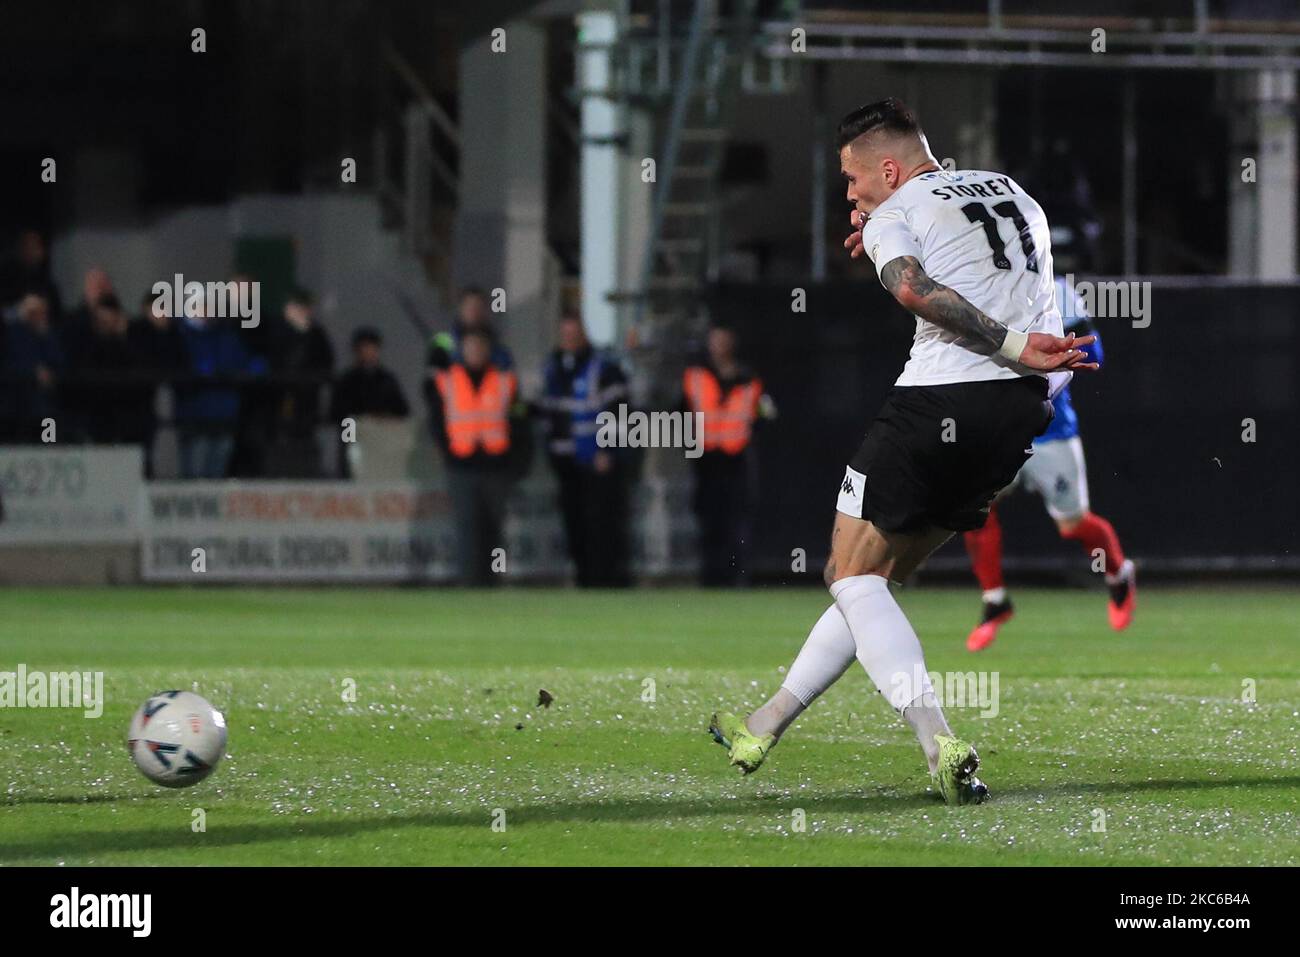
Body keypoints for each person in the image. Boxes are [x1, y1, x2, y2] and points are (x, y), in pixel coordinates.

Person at [708, 98, 1096, 805]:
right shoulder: (1012, 191)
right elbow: (986, 270)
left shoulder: (894, 212)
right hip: (1021, 410)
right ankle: (762, 723)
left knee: (851, 576)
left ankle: (938, 742)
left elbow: (916, 288)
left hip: (941, 401)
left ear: (888, 167)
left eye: (855, 182)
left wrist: (895, 238)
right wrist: (1019, 350)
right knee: (866, 580)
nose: (851, 197)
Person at [962, 272, 1136, 650]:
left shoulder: (1057, 291)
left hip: (1050, 430)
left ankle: (1119, 574)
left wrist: (1040, 358)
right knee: (972, 511)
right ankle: (995, 601)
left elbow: (1093, 353)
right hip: (999, 430)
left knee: (1074, 525)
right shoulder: (976, 283)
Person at [537, 312, 631, 587]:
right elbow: (550, 414)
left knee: (602, 527)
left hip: (596, 462)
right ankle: (584, 581)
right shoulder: (553, 368)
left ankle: (606, 583)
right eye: (565, 334)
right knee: (575, 526)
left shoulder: (603, 368)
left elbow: (620, 412)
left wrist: (609, 450)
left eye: (574, 333)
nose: (569, 339)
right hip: (566, 463)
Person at [426, 327, 520, 585]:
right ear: (461, 350)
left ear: (488, 350)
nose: (475, 352)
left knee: (495, 529)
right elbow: (436, 421)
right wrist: (447, 452)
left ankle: (494, 581)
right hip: (462, 465)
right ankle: (468, 583)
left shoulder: (504, 380)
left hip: (496, 466)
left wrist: (513, 459)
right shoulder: (448, 381)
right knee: (466, 529)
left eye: (480, 347)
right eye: (470, 347)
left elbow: (519, 422)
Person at [682, 325, 771, 586]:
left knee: (737, 521)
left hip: (737, 459)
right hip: (706, 461)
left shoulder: (748, 379)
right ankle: (710, 576)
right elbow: (682, 412)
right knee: (709, 522)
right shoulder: (696, 375)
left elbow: (764, 414)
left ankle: (736, 576)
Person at [174, 302, 264, 479]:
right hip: (194, 415)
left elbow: (243, 363)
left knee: (217, 470)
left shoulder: (227, 335)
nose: (206, 311)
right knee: (193, 472)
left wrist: (255, 366)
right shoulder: (181, 335)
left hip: (225, 413)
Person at [266, 289, 334, 477]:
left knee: (306, 436)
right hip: (281, 397)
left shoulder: (316, 334)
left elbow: (326, 362)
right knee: (281, 436)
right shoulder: (277, 330)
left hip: (307, 398)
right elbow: (272, 360)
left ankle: (306, 472)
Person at [329, 327, 410, 477]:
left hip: (382, 445)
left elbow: (403, 410)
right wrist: (361, 421)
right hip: (355, 441)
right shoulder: (347, 380)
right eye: (365, 348)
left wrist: (383, 419)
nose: (369, 353)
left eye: (372, 348)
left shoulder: (387, 379)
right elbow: (338, 415)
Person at [128, 292, 189, 477]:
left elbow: (181, 364)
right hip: (142, 405)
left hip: (173, 405)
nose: (164, 313)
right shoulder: (136, 334)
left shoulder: (176, 334)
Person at [1, 294, 65, 442]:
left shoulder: (49, 335)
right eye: (33, 313)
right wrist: (32, 373)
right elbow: (8, 365)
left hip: (43, 405)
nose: (38, 317)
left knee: (49, 422)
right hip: (13, 401)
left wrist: (46, 335)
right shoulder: (11, 335)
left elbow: (60, 364)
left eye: (42, 312)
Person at [427, 287, 513, 372]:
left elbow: (507, 377)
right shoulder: (442, 342)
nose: (473, 312)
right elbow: (433, 376)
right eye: (469, 307)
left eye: (478, 307)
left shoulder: (498, 349)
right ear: (461, 309)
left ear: (486, 311)